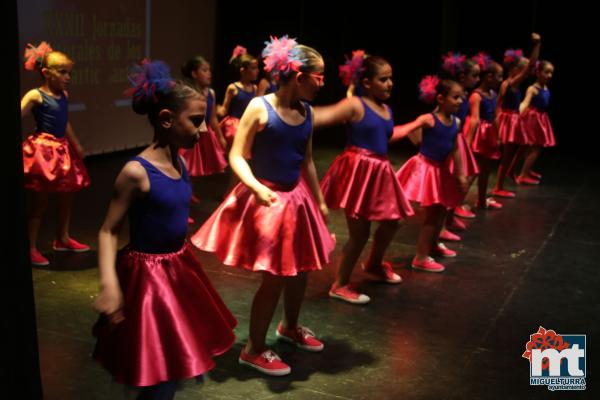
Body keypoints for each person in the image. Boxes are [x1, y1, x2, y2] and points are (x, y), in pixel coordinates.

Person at [92, 59, 236, 399]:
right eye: (196, 121)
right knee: (154, 368)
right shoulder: (136, 172)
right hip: (147, 282)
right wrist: (110, 285)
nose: (203, 131)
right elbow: (108, 231)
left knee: (172, 362)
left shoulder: (181, 162)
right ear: (167, 120)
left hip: (177, 271)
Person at [192, 36, 334, 376]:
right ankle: (253, 349)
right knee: (273, 279)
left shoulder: (307, 112)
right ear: (299, 75)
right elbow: (237, 155)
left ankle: (289, 326)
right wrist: (254, 186)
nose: (322, 84)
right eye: (319, 76)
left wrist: (320, 200)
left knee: (301, 270)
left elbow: (308, 161)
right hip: (267, 201)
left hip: (295, 201)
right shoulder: (260, 107)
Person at [316, 54, 413, 304]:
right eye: (383, 79)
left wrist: (415, 126)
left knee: (394, 221)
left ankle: (374, 264)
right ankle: (339, 284)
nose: (390, 83)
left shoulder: (386, 109)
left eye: (391, 79)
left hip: (380, 171)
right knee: (359, 234)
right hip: (358, 173)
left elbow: (385, 136)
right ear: (367, 82)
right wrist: (289, 111)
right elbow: (323, 115)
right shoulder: (356, 105)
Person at [21, 41, 91, 266]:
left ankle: (62, 238)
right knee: (40, 202)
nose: (67, 77)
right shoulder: (35, 95)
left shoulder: (64, 95)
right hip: (44, 153)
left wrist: (76, 143)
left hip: (62, 150)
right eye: (62, 73)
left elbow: (65, 122)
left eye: (69, 73)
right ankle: (30, 247)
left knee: (67, 195)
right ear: (46, 73)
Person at [395, 76, 467, 272]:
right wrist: (387, 134)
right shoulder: (429, 119)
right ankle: (420, 257)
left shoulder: (457, 122)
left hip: (441, 171)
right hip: (424, 169)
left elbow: (455, 149)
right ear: (441, 99)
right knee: (432, 215)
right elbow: (408, 129)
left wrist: (460, 175)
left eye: (461, 97)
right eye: (455, 97)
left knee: (441, 211)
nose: (460, 101)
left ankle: (433, 245)